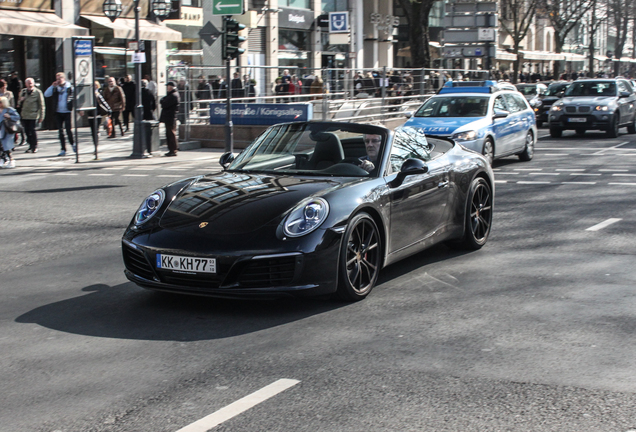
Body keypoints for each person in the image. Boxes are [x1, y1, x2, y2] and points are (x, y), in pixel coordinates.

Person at [44, 72, 74, 156]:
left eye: (60, 78)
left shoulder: (69, 87)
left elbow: (75, 97)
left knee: (68, 130)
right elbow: (46, 94)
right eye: (57, 79)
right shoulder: (55, 88)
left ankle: (72, 144)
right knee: (60, 131)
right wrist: (52, 86)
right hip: (58, 112)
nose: (58, 81)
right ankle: (63, 149)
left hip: (67, 111)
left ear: (64, 79)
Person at [79, 80, 110, 157]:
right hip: (90, 115)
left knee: (95, 130)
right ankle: (95, 143)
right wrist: (81, 110)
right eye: (93, 85)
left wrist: (109, 110)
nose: (94, 87)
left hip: (97, 115)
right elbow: (83, 103)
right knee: (93, 132)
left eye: (96, 85)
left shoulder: (98, 94)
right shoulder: (87, 95)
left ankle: (96, 146)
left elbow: (103, 102)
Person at [17, 77, 45, 153]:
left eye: (31, 83)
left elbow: (41, 105)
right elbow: (19, 104)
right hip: (25, 115)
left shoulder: (38, 92)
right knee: (26, 131)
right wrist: (21, 100)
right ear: (25, 84)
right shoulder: (23, 92)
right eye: (28, 83)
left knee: (32, 130)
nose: (30, 84)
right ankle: (30, 145)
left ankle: (34, 146)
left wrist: (41, 116)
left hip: (33, 115)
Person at [160, 81, 179, 157]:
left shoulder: (173, 95)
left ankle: (173, 149)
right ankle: (171, 149)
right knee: (169, 133)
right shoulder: (171, 95)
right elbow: (162, 100)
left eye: (168, 86)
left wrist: (162, 101)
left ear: (171, 87)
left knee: (171, 133)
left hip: (170, 116)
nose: (167, 88)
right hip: (169, 116)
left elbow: (164, 103)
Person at [0, 96, 20, 168]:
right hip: (0, 130)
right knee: (1, 146)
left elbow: (17, 117)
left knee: (6, 146)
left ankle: (11, 159)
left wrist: (9, 116)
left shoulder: (9, 109)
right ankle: (3, 159)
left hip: (7, 130)